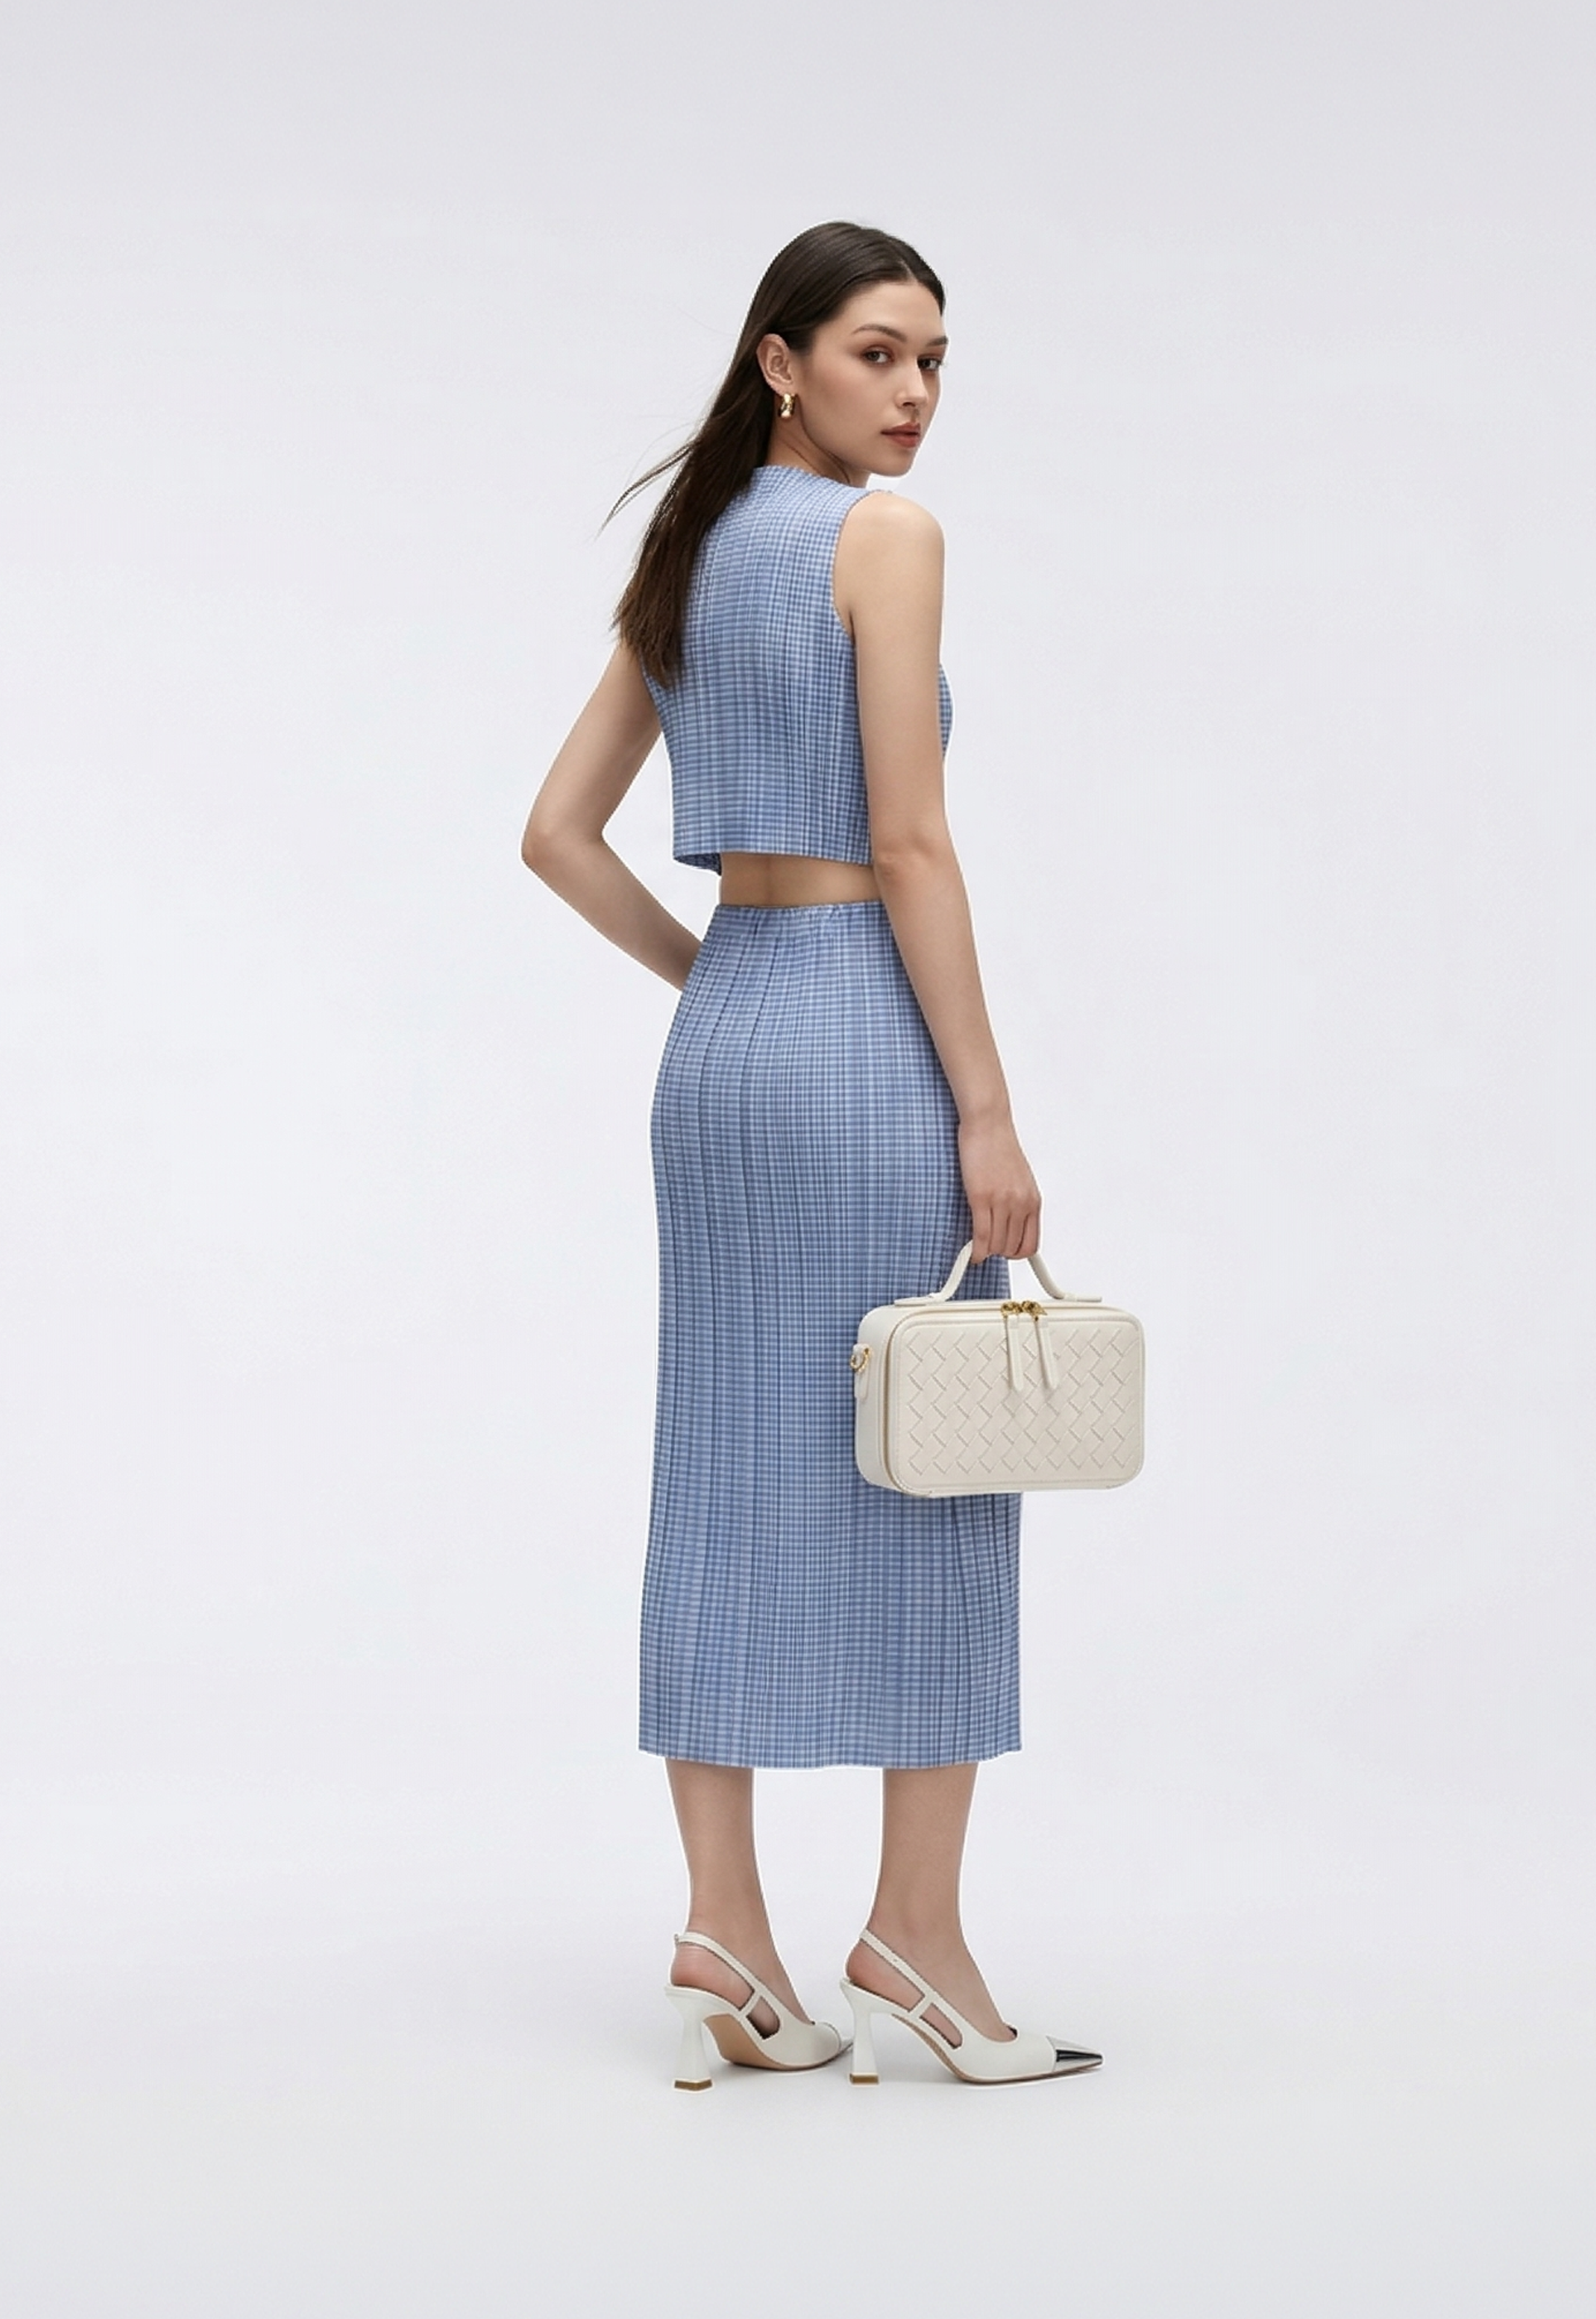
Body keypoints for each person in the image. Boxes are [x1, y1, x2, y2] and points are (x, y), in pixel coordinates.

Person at [522, 222, 1099, 2088]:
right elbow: (912, 843)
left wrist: (713, 974)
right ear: (780, 362)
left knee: (725, 1462)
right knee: (936, 1452)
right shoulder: (885, 538)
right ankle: (914, 1934)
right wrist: (987, 1107)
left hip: (727, 1043)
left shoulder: (688, 550)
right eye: (875, 353)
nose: (913, 393)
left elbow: (555, 832)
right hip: (859, 1026)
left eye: (933, 361)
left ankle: (728, 1931)